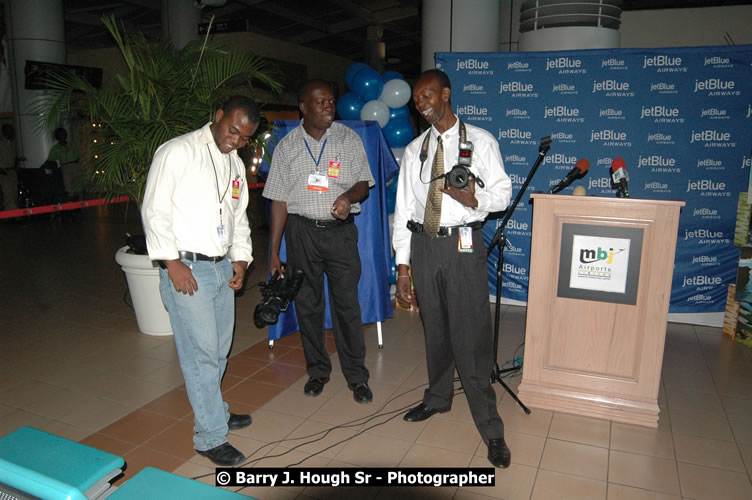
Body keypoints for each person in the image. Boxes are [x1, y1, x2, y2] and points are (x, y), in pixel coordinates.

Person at [392, 69, 514, 468]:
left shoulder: (480, 141)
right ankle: (438, 398)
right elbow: (403, 212)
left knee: (471, 335)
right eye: (416, 99)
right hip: (424, 245)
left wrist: (472, 197)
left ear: (446, 94)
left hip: (463, 244)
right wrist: (403, 267)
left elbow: (503, 193)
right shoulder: (415, 150)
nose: (420, 103)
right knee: (437, 330)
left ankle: (491, 428)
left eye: (427, 95)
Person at [141, 95, 257, 467]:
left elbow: (239, 217)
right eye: (232, 130)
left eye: (244, 137)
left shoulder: (235, 164)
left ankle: (216, 413)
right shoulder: (177, 152)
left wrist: (240, 259)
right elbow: (154, 210)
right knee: (202, 355)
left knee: (219, 350)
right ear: (218, 116)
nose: (236, 140)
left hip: (221, 267)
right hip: (186, 269)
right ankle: (209, 437)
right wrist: (171, 262)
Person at [263, 79, 375, 404]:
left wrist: (346, 195)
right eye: (321, 102)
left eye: (331, 102)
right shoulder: (285, 146)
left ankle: (357, 376)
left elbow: (363, 185)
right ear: (303, 106)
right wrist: (273, 251)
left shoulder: (348, 138)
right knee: (308, 305)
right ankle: (317, 372)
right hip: (302, 234)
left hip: (340, 233)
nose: (329, 107)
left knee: (347, 306)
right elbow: (279, 201)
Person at [47, 127, 79, 199]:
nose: (63, 136)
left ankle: (80, 204)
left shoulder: (71, 144)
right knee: (68, 187)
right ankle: (71, 205)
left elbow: (77, 155)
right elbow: (50, 160)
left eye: (64, 134)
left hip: (75, 165)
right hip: (65, 167)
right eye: (61, 134)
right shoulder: (55, 148)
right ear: (57, 136)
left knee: (78, 185)